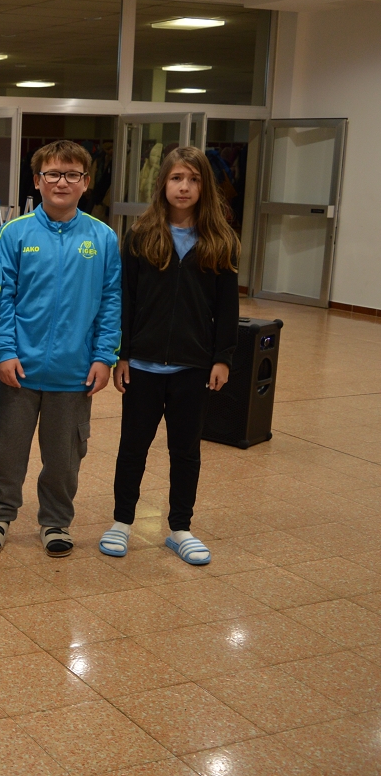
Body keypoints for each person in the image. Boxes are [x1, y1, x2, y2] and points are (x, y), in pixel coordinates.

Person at [0, 140, 121, 558]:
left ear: (86, 182)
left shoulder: (103, 237)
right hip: (20, 368)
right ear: (37, 181)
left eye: (72, 174)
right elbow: (1, 298)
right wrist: (5, 351)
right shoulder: (14, 233)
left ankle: (56, 522)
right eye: (53, 174)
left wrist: (104, 357)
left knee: (64, 456)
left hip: (75, 372)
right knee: (7, 448)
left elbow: (111, 301)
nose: (62, 182)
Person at [102, 146, 239, 566]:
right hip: (142, 366)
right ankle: (122, 522)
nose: (184, 187)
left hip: (192, 367)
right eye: (177, 178)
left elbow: (228, 307)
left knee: (185, 451)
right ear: (163, 183)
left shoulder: (220, 240)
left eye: (194, 180)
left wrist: (222, 357)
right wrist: (122, 355)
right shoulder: (141, 235)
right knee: (133, 448)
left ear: (205, 187)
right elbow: (126, 299)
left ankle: (180, 528)